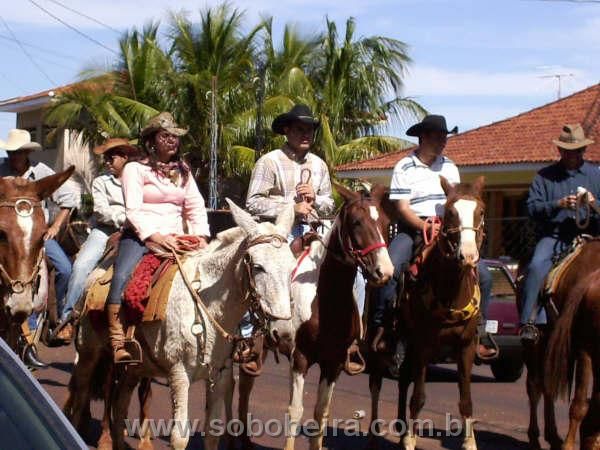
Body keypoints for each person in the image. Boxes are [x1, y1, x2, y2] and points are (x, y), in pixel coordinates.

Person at [371, 115, 496, 359]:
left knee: (485, 276)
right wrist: (425, 226)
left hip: (449, 230)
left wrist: (446, 227)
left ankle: (480, 331)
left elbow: (456, 201)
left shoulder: (450, 166)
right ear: (423, 138)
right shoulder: (404, 166)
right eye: (438, 137)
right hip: (413, 228)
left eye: (444, 137)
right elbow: (402, 208)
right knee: (391, 269)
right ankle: (383, 327)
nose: (443, 141)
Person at [106, 112, 210, 363]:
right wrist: (156, 237)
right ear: (151, 140)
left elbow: (195, 206)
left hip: (178, 237)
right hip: (140, 236)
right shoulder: (135, 169)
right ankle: (118, 340)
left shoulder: (183, 171)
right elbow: (133, 210)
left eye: (175, 136)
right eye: (165, 136)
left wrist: (200, 236)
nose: (172, 140)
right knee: (121, 275)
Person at [240, 104, 335, 375]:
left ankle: (348, 339)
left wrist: (316, 199)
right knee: (262, 274)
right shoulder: (269, 161)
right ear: (286, 131)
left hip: (314, 229)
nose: (306, 134)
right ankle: (250, 338)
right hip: (279, 233)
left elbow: (329, 204)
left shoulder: (319, 165)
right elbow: (253, 203)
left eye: (310, 130)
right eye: (299, 129)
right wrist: (290, 208)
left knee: (353, 274)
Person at [0, 129, 77, 369]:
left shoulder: (41, 172)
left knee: (65, 268)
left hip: (35, 236)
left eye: (19, 152)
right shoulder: (0, 172)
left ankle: (56, 322)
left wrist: (54, 227)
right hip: (5, 235)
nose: (15, 156)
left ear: (27, 152)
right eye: (11, 152)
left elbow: (69, 199)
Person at [52, 138, 141, 343]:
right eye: (105, 158)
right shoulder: (101, 181)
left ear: (125, 157)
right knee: (81, 267)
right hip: (105, 229)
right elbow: (101, 211)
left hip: (138, 229)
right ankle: (67, 319)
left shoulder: (139, 179)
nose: (107, 162)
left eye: (112, 158)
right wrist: (125, 218)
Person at [519, 123, 600, 342]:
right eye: (567, 151)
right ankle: (529, 321)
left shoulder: (596, 174)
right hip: (555, 237)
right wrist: (558, 204)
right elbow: (532, 208)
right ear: (560, 150)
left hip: (592, 238)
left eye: (577, 151)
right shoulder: (544, 176)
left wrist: (594, 203)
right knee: (536, 266)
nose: (572, 155)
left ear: (584, 150)